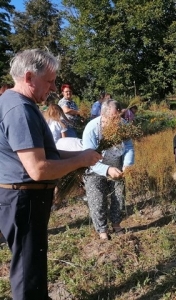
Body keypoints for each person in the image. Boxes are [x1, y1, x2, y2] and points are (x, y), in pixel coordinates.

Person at [0, 49, 101, 300]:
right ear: (29, 77)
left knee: (28, 264)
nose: (54, 88)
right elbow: (38, 168)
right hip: (25, 200)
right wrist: (80, 159)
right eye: (50, 81)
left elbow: (46, 154)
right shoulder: (20, 110)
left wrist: (82, 157)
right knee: (28, 270)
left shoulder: (13, 102)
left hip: (18, 197)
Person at [82, 99, 134, 240]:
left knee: (118, 196)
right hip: (94, 168)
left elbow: (128, 147)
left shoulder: (123, 126)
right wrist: (106, 169)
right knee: (97, 199)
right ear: (103, 115)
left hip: (116, 165)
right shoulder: (92, 128)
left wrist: (127, 165)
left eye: (118, 117)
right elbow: (88, 157)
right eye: (113, 118)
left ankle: (116, 224)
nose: (116, 122)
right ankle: (102, 229)